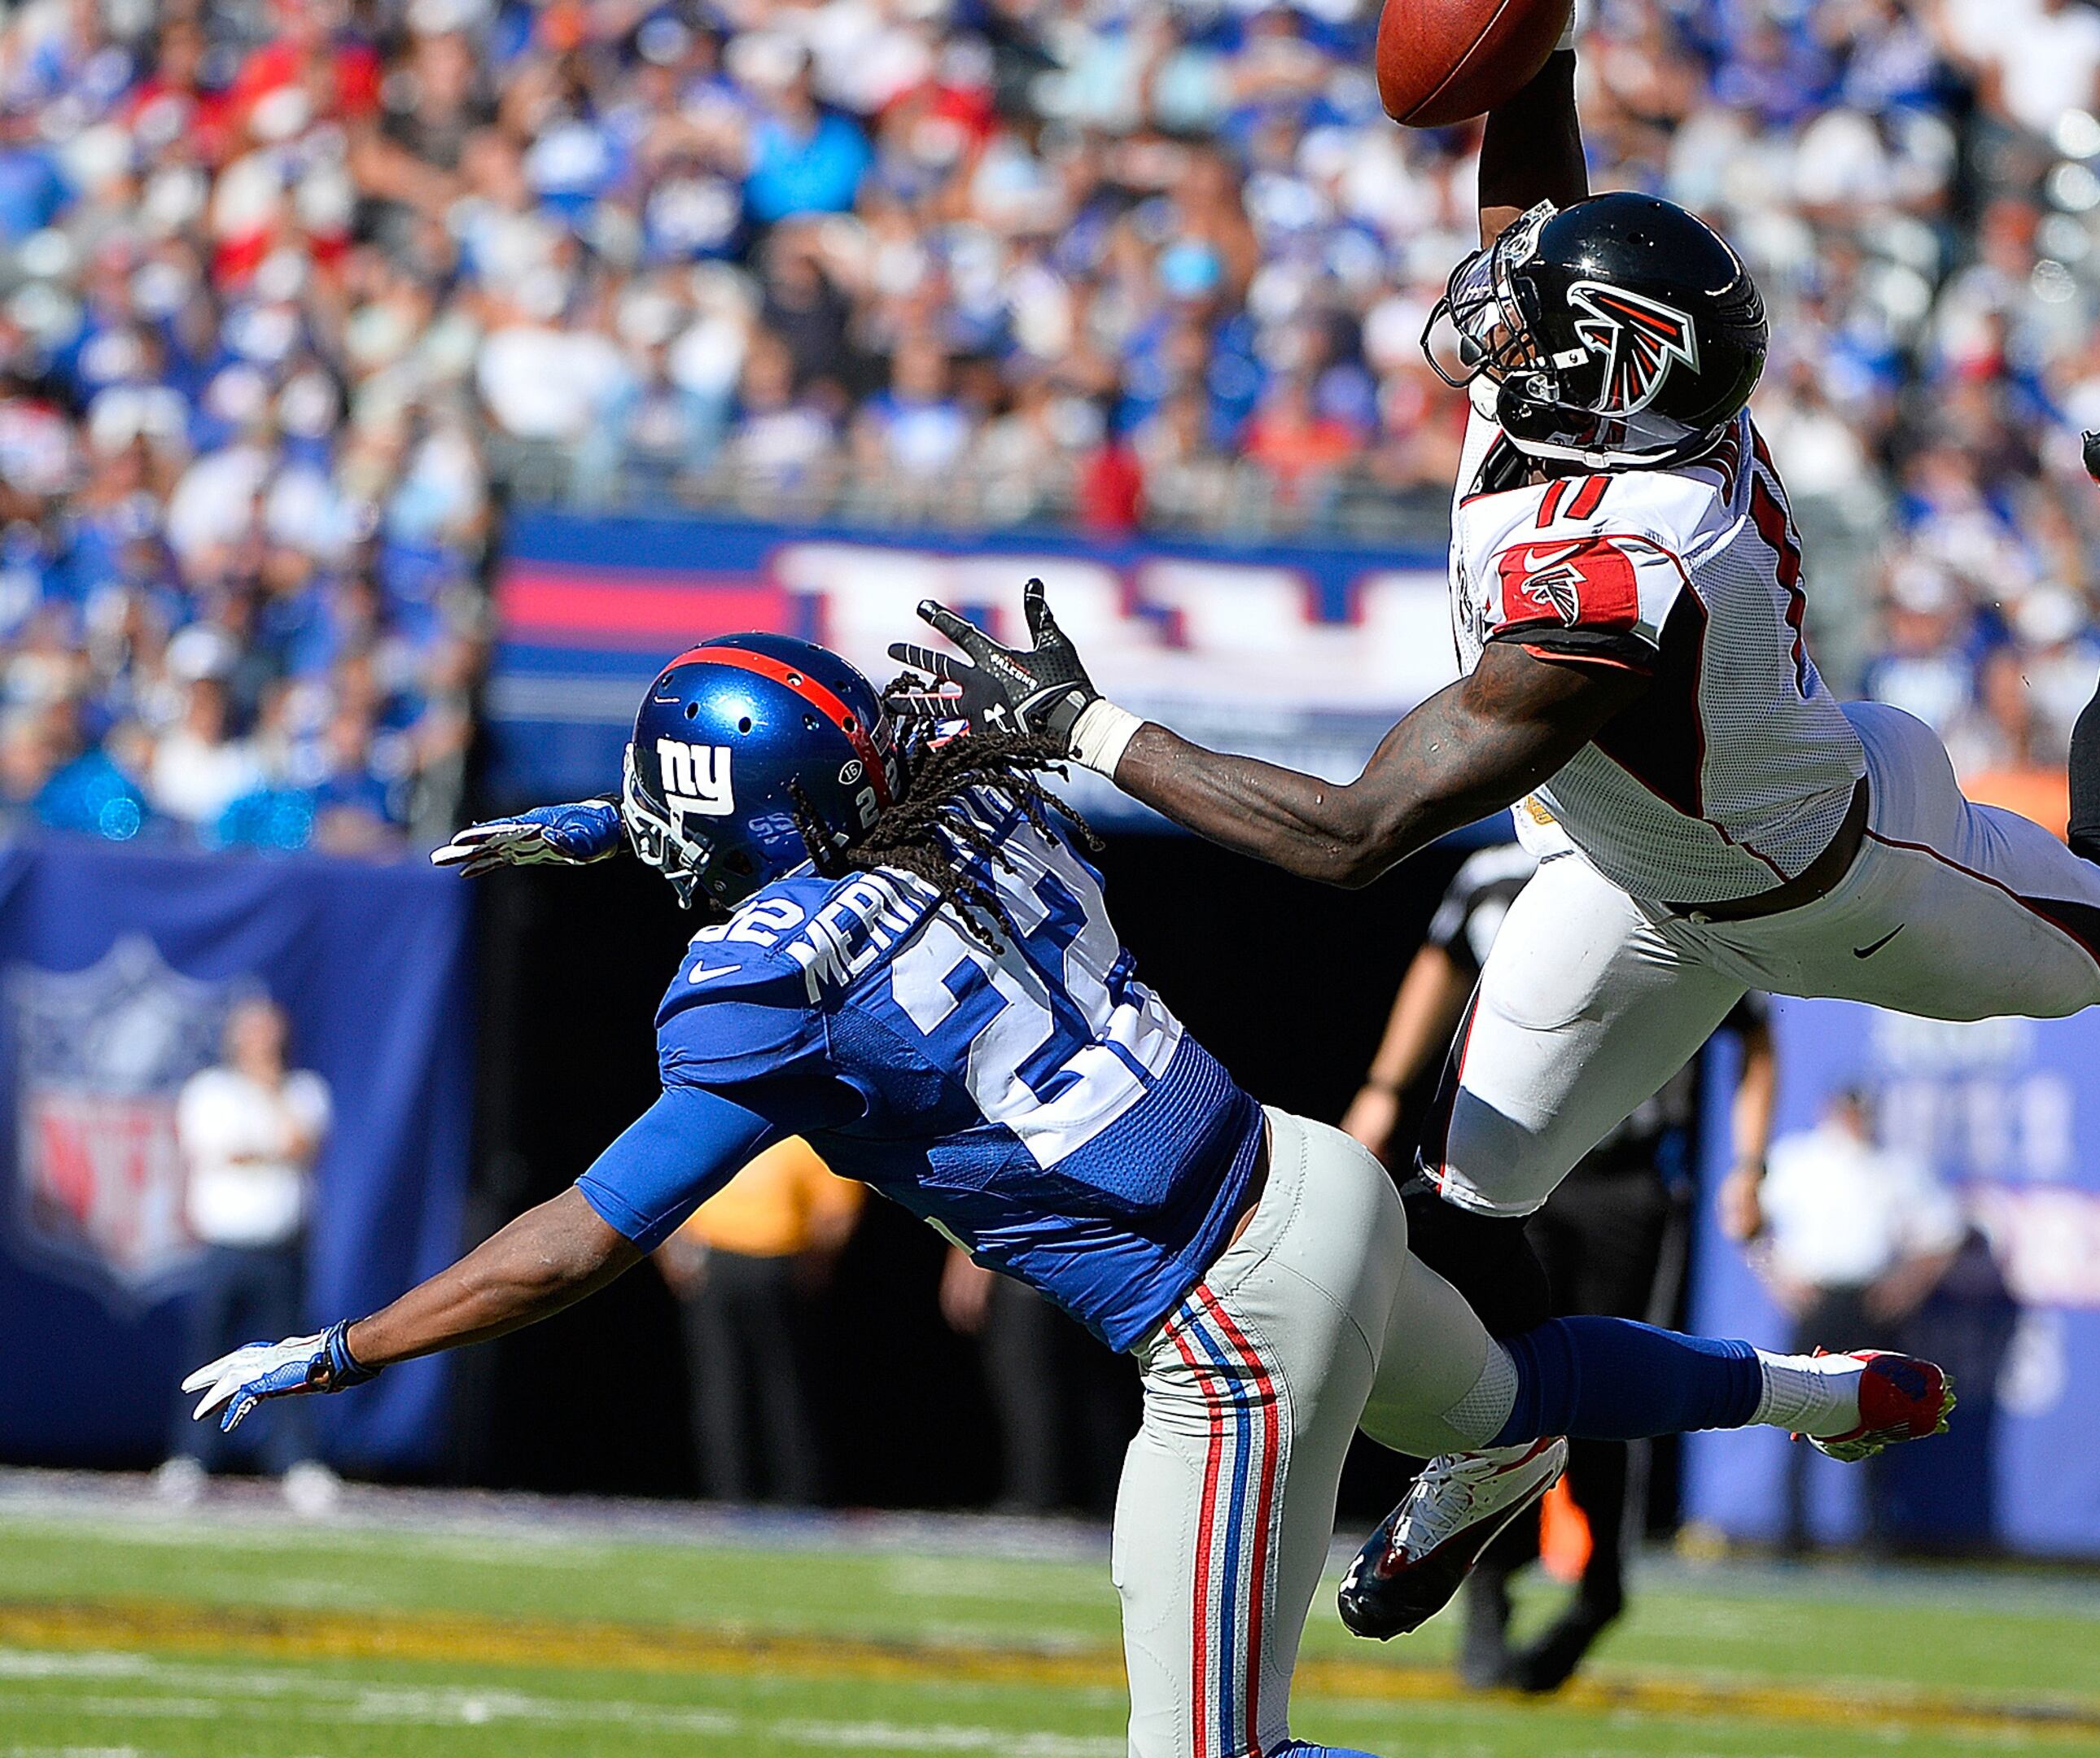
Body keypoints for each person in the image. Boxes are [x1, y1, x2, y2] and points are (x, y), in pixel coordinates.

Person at [882, 50, 2100, 1638]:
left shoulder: (1629, 570)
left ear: (1616, 374)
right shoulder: (1585, 416)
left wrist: (1084, 729)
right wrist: (1542, 36)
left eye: (1539, 320)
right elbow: (1535, 189)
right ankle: (1504, 1450)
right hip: (1627, 874)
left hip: (1831, 885)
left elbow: (1352, 834)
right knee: (1447, 1216)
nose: (1493, 317)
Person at [186, 633, 1953, 1758]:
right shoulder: (982, 811)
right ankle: (1813, 1401)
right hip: (1303, 1173)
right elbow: (841, 793)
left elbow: (575, 1240)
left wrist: (347, 1345)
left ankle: (1569, 1453)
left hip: (1220, 1322)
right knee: (1511, 1390)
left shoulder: (754, 992)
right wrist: (606, 822)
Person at [1345, 840, 1778, 1691]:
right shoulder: (1495, 879)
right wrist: (1386, 1087)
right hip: (1508, 1177)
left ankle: (1600, 1588)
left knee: (1605, 1388)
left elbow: (1754, 1030)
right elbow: (1438, 968)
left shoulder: (1676, 864)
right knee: (1490, 1373)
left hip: (1624, 1184)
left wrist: (1749, 1162)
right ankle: (1484, 1587)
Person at [1722, 1089, 1963, 1554]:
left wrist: (1906, 1287)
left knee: (1880, 1412)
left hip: (1867, 1299)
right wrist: (1776, 1277)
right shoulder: (1798, 1161)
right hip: (1817, 1297)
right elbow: (1744, 1218)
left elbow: (1942, 1233)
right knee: (1795, 1406)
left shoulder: (1892, 1167)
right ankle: (1792, 1532)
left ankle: (1873, 1532)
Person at [159, 995, 339, 1515]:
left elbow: (300, 1143)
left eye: (270, 1033)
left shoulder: (304, 1090)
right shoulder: (209, 1092)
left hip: (282, 1250)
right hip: (224, 1246)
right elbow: (223, 1151)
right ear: (235, 1038)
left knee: (297, 1360)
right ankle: (190, 1460)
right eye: (253, 1033)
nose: (263, 1043)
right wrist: (267, 1145)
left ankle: (297, 1464)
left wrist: (269, 1092)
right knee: (206, 1357)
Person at [658, 1137, 860, 1507]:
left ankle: (785, 1496)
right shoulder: (803, 1131)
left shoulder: (729, 1126)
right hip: (734, 1260)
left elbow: (834, 1211)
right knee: (744, 1383)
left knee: (772, 1382)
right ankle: (738, 1496)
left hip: (773, 1260)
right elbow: (836, 1215)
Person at [941, 1242, 1139, 1517]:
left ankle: (1036, 1499)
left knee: (1031, 1383)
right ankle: (1110, 1502)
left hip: (1034, 1260)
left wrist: (970, 1253)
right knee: (1090, 1387)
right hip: (1094, 1265)